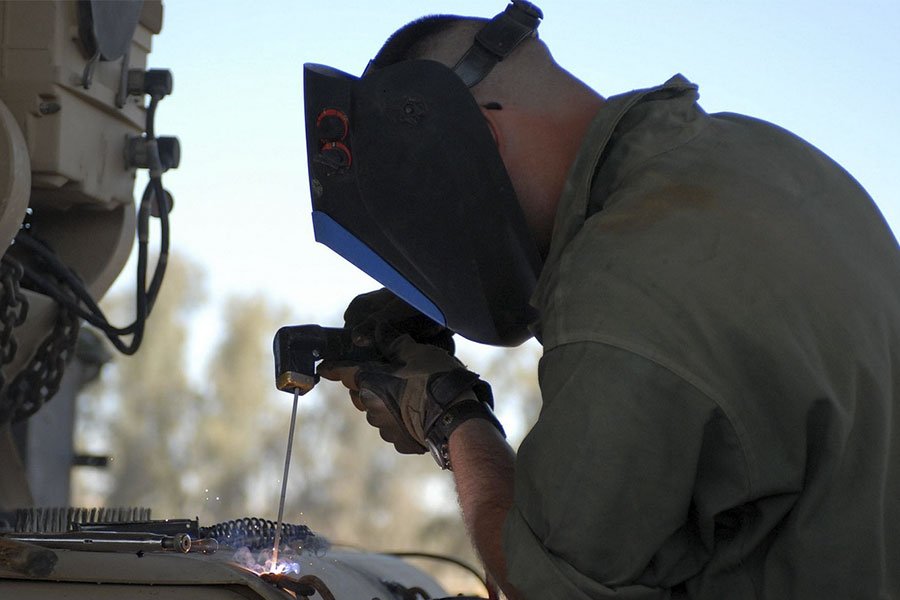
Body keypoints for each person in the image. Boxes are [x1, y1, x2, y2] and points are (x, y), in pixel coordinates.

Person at [310, 2, 900, 598]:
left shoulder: (624, 291)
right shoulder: (762, 154)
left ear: (475, 139)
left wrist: (450, 414)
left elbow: (539, 586)